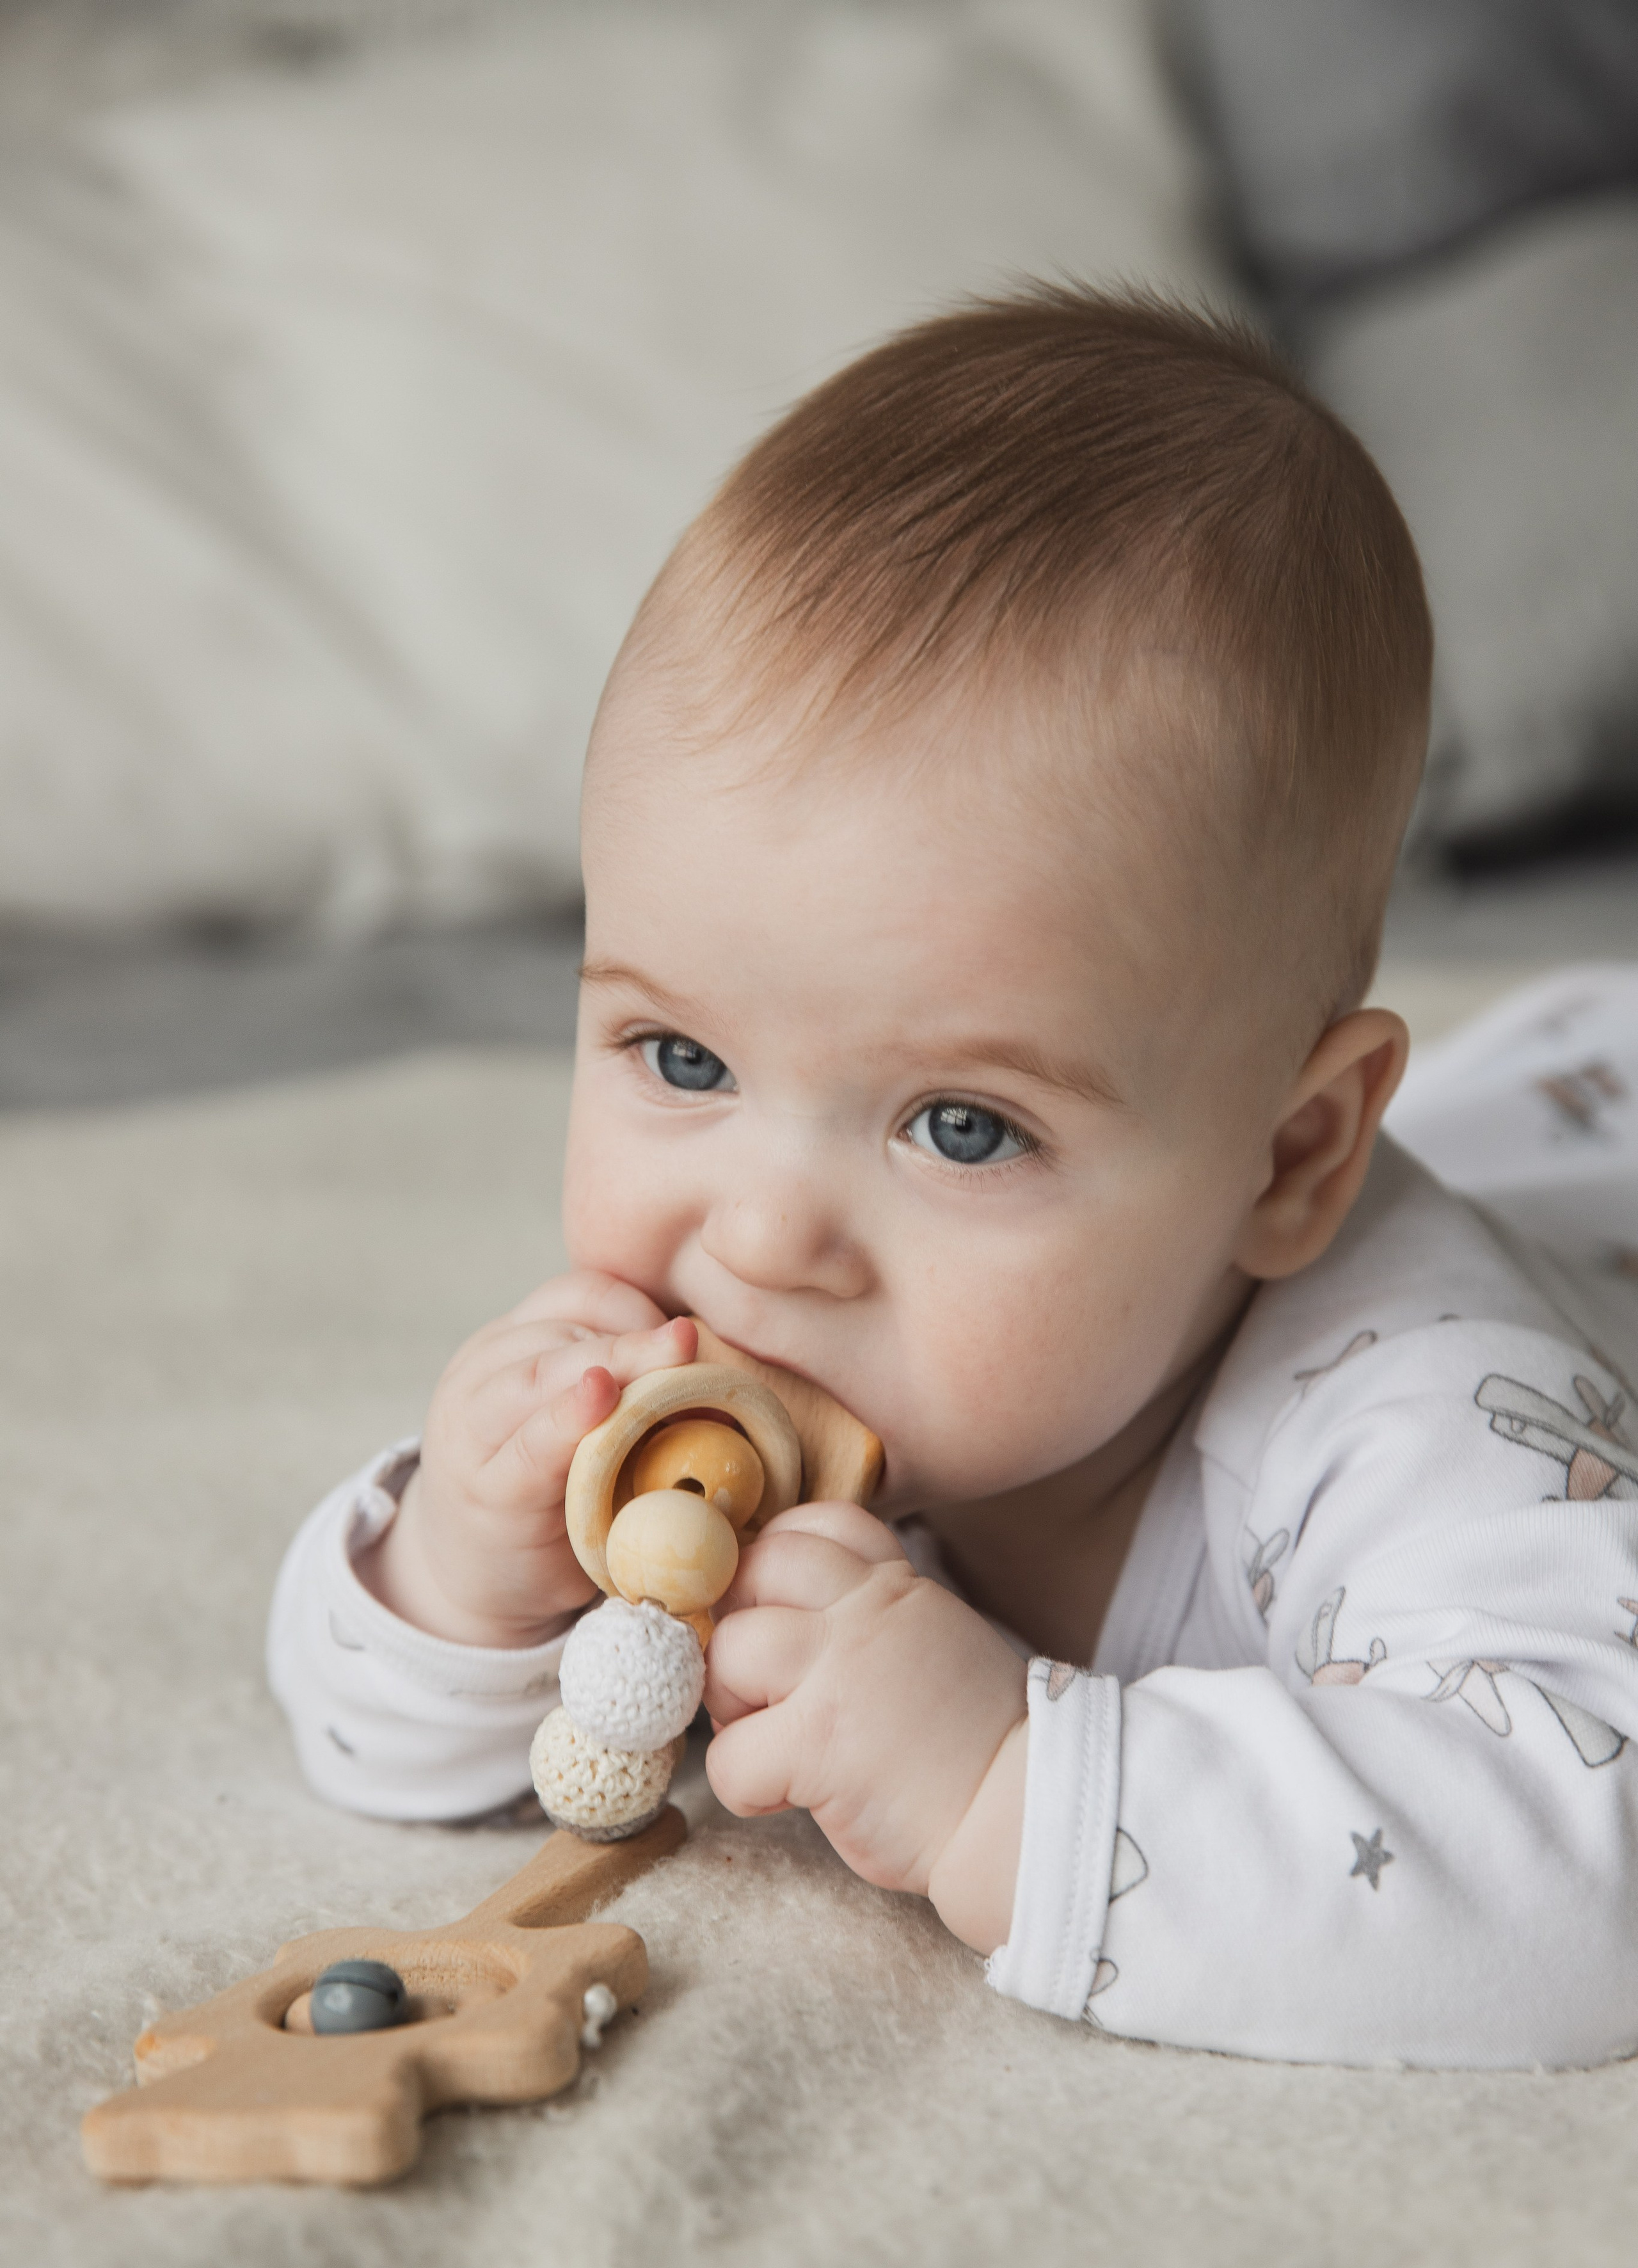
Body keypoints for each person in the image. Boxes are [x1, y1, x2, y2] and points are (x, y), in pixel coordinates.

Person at [269, 287, 1638, 2067]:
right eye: (682, 1062)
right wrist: (465, 1576)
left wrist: (1013, 1778)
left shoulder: (1411, 1414)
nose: (760, 1239)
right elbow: (380, 1743)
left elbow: (1586, 1876)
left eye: (964, 1127)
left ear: (1289, 1158)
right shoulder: (714, 1386)